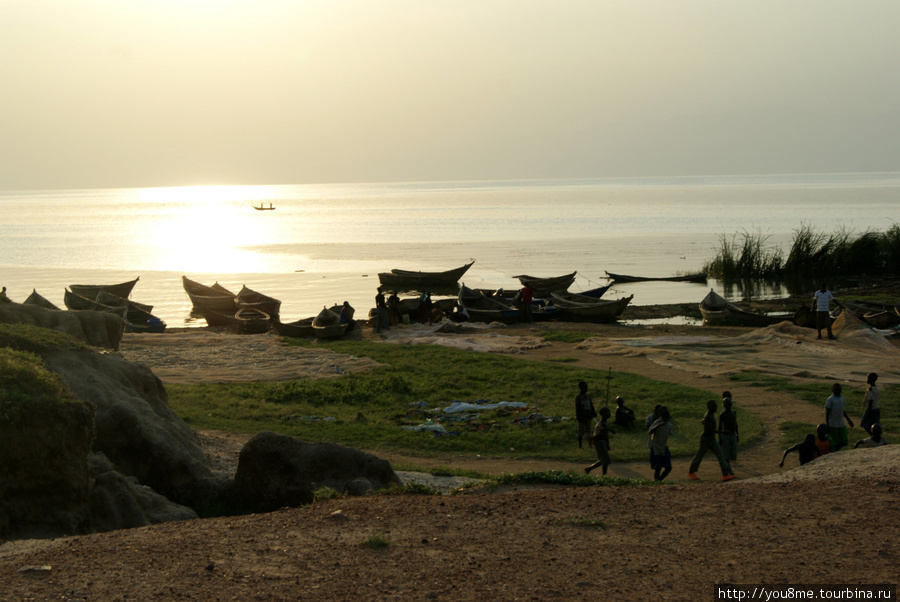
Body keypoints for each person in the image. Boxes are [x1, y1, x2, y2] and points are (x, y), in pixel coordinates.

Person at [688, 399, 736, 481]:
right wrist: (721, 432)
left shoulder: (709, 415)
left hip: (711, 438)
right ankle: (691, 472)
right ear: (710, 407)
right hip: (706, 439)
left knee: (720, 455)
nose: (716, 407)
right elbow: (708, 430)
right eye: (714, 406)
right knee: (700, 455)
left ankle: (726, 474)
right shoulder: (708, 416)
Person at [585, 407, 614, 475]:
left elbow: (605, 435)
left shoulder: (603, 422)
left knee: (604, 460)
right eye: (608, 412)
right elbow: (600, 432)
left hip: (602, 442)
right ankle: (603, 475)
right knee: (605, 461)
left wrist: (607, 444)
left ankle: (589, 469)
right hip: (600, 442)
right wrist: (609, 429)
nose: (609, 414)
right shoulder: (601, 423)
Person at [825, 382, 854, 451]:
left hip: (841, 422)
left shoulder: (842, 398)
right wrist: (827, 424)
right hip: (833, 423)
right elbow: (827, 413)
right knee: (835, 441)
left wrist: (848, 420)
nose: (838, 391)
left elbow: (842, 410)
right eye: (836, 389)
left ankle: (835, 450)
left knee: (844, 440)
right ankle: (834, 451)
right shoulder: (830, 399)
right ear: (833, 390)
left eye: (839, 389)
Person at [648, 406, 674, 481]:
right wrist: (658, 426)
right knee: (658, 468)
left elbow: (671, 433)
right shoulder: (657, 423)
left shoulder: (669, 425)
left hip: (663, 447)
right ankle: (657, 481)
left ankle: (659, 480)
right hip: (656, 447)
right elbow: (650, 431)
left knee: (668, 468)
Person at [718, 393, 739, 468]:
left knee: (734, 455)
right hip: (725, 435)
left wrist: (737, 434)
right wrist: (720, 438)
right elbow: (720, 427)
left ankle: (727, 466)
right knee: (726, 455)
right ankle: (727, 469)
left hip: (732, 435)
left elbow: (736, 424)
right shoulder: (722, 415)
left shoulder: (733, 413)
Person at [574, 381, 597, 449]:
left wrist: (593, 412)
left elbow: (591, 405)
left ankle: (589, 444)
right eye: (585, 388)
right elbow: (577, 407)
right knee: (580, 431)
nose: (586, 389)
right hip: (582, 416)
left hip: (588, 416)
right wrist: (578, 416)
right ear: (581, 388)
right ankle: (580, 445)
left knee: (589, 431)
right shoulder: (578, 397)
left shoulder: (588, 396)